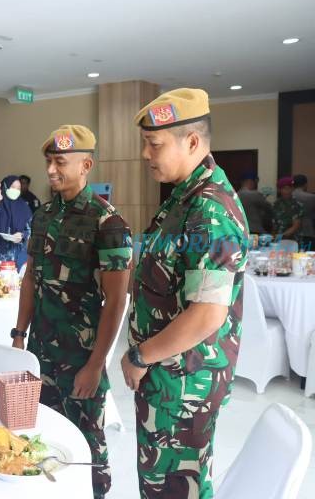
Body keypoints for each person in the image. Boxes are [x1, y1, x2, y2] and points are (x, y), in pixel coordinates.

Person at [122, 88, 247, 498]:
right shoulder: (183, 198)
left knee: (176, 487)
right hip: (168, 375)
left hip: (184, 382)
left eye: (153, 143)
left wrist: (141, 355)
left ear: (192, 142)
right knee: (160, 483)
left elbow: (207, 315)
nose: (145, 154)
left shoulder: (209, 210)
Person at [12, 125, 132, 499]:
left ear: (86, 165)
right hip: (41, 349)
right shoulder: (44, 215)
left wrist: (96, 365)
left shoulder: (107, 222)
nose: (50, 170)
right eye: (49, 161)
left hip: (80, 354)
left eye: (60, 162)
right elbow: (31, 278)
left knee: (86, 440)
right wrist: (19, 336)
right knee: (43, 434)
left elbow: (116, 301)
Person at [0, 175, 32, 268]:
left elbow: (29, 229)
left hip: (16, 255)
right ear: (5, 187)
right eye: (13, 187)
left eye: (18, 188)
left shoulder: (24, 207)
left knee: (14, 281)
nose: (16, 190)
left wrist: (21, 235)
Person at [272, 176, 304, 242]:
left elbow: (296, 226)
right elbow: (273, 223)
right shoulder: (275, 204)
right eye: (284, 189)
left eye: (289, 188)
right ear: (279, 190)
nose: (287, 191)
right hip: (277, 240)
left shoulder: (297, 205)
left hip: (293, 240)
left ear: (292, 189)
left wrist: (282, 235)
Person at [293, 174, 315, 250]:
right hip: (307, 231)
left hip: (290, 231)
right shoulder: (311, 197)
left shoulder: (288, 196)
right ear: (305, 184)